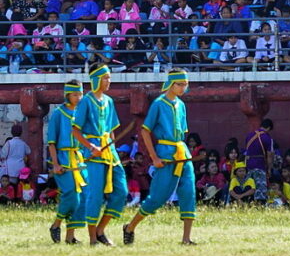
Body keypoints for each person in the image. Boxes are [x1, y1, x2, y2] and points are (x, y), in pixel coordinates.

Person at [123, 69, 198, 245]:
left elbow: (182, 132)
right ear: (171, 84)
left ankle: (186, 238)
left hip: (182, 153)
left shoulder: (181, 105)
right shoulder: (158, 104)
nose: (183, 88)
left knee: (189, 193)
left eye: (185, 85)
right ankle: (130, 227)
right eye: (180, 84)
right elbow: (145, 131)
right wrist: (154, 157)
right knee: (157, 197)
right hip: (165, 153)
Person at [71, 64, 129, 246]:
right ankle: (92, 238)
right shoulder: (86, 101)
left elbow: (111, 130)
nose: (108, 81)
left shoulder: (109, 101)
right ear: (96, 79)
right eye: (105, 78)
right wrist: (90, 146)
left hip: (109, 152)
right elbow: (75, 130)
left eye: (109, 77)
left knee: (121, 192)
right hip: (94, 153)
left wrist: (114, 151)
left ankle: (101, 229)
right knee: (95, 195)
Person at [46, 80, 88, 244]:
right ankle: (56, 224)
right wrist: (55, 164)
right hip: (63, 160)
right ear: (67, 95)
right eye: (75, 94)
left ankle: (70, 237)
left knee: (83, 197)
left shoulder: (82, 113)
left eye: (80, 94)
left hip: (79, 159)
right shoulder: (58, 113)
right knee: (71, 195)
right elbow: (51, 141)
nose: (78, 97)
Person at [243, 118, 275, 204]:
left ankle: (247, 203)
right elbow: (270, 155)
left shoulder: (249, 135)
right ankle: (260, 205)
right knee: (260, 187)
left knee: (249, 185)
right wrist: (269, 168)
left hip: (248, 164)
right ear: (268, 128)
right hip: (260, 165)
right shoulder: (267, 138)